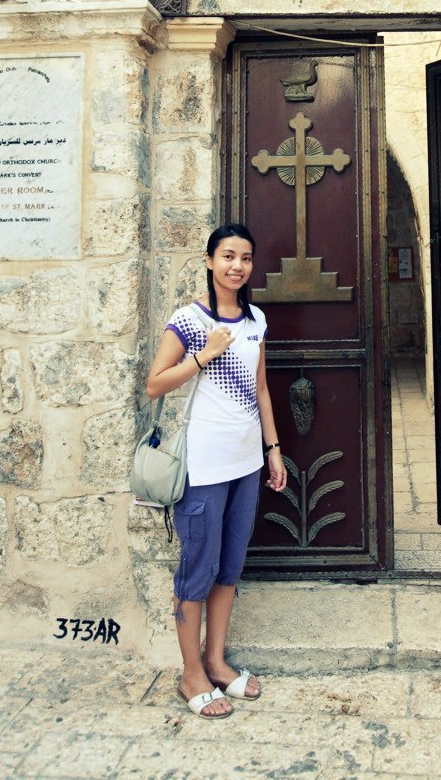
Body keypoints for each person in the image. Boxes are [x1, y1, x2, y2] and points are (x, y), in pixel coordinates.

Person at [146, 223, 287, 719]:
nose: (237, 266)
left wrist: (272, 449)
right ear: (209, 261)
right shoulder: (187, 320)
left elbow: (263, 388)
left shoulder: (256, 320)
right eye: (228, 256)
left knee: (228, 567)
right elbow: (155, 384)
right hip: (203, 465)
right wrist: (204, 355)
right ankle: (190, 675)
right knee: (198, 569)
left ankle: (216, 661)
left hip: (246, 462)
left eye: (246, 258)